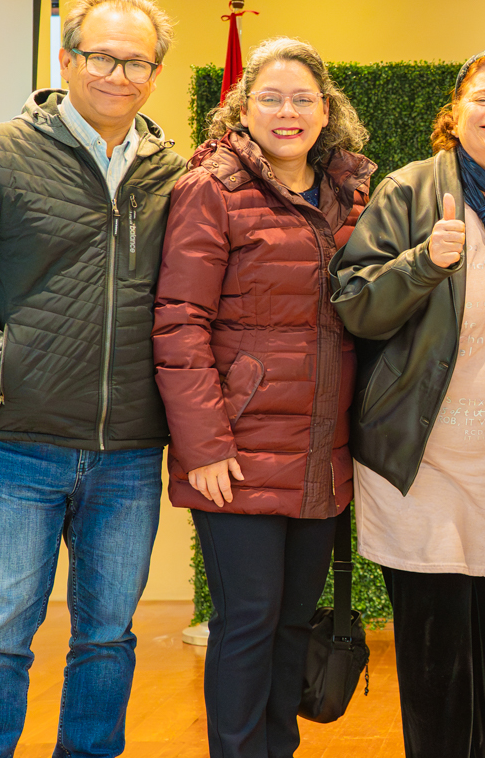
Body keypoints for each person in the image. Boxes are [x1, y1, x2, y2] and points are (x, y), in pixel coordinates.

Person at [0, 0, 184, 758]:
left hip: (130, 453)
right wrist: (0, 368)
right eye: (101, 56)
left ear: (155, 74)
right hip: (17, 447)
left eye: (136, 62)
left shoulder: (176, 174)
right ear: (67, 60)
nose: (118, 74)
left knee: (108, 636)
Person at [330, 50, 485, 758]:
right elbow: (354, 304)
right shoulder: (410, 190)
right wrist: (425, 262)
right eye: (482, 97)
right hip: (421, 458)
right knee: (434, 654)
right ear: (454, 115)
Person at [153, 37, 373, 758]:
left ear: (325, 110)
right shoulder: (210, 188)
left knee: (291, 626)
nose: (288, 112)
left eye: (303, 98)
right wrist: (205, 446)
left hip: (320, 453)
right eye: (271, 98)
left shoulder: (349, 192)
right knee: (248, 621)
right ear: (243, 108)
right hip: (237, 453)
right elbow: (180, 322)